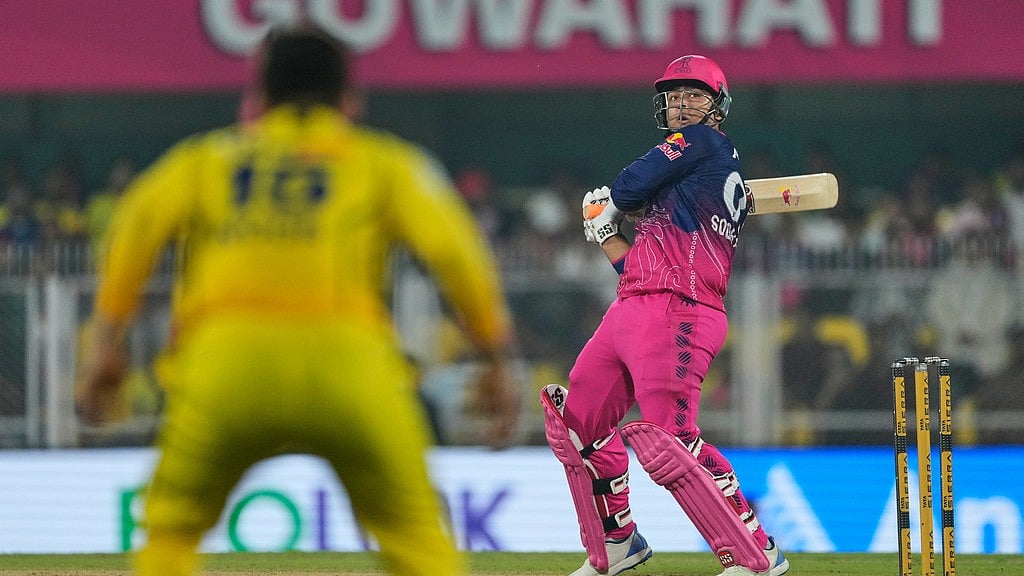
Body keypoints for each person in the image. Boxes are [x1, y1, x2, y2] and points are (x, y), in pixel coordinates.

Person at [75, 26, 520, 576]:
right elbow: (457, 255)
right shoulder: (384, 163)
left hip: (225, 366)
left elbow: (134, 228)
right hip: (351, 367)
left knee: (170, 534)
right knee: (419, 540)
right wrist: (496, 357)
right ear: (350, 101)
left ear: (258, 99)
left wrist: (105, 343)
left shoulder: (205, 160)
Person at [541, 55, 789, 576]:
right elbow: (639, 271)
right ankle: (617, 542)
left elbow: (628, 186)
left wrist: (614, 202)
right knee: (579, 424)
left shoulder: (703, 143)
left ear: (717, 107)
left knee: (671, 441)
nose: (681, 104)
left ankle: (756, 550)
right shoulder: (687, 184)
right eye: (674, 96)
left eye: (694, 95)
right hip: (635, 305)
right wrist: (607, 234)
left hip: (681, 309)